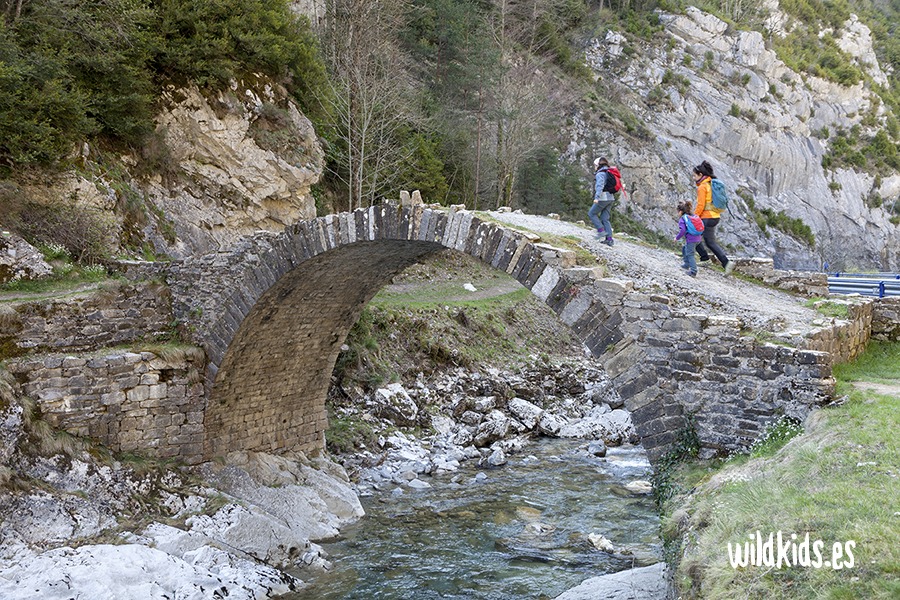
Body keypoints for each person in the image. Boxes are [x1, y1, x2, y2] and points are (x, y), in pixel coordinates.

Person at [692, 160, 734, 274]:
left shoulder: (702, 187)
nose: (693, 178)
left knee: (692, 237)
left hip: (706, 217)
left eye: (694, 175)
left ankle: (705, 259)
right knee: (710, 242)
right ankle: (726, 263)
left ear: (700, 175)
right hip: (715, 217)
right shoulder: (713, 184)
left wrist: (694, 218)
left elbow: (700, 205)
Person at [589, 157, 617, 247]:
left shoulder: (600, 174)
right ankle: (609, 240)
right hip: (611, 198)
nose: (594, 167)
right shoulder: (608, 172)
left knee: (591, 213)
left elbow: (600, 186)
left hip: (603, 198)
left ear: (598, 165)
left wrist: (597, 197)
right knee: (605, 219)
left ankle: (601, 232)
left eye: (595, 165)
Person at [675, 201, 702, 277]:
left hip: (691, 239)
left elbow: (682, 230)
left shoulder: (682, 219)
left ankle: (693, 271)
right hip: (698, 238)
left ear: (680, 212)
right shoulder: (692, 216)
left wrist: (677, 238)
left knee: (690, 254)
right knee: (684, 248)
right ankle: (686, 264)